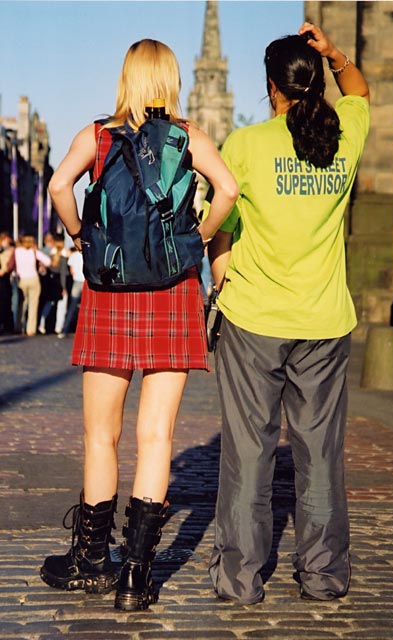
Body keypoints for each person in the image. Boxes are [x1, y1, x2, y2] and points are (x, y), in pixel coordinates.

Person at [40, 38, 238, 612]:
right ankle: (136, 577)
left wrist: (80, 234)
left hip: (110, 292)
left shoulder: (98, 135)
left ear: (127, 77)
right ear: (171, 79)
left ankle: (88, 562)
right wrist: (198, 237)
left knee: (101, 436)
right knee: (157, 437)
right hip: (173, 293)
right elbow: (228, 190)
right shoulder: (187, 136)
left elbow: (57, 187)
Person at [207, 23, 370, 604]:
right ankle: (324, 575)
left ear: (270, 86)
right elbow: (359, 93)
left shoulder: (246, 146)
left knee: (249, 452)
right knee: (320, 454)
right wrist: (336, 55)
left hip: (254, 317)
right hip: (324, 320)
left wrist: (220, 284)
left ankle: (241, 578)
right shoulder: (344, 136)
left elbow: (221, 229)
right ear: (315, 81)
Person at [9, 235, 51, 336]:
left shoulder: (17, 251)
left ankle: (18, 326)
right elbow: (48, 262)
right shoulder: (34, 251)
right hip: (33, 278)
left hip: (21, 279)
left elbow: (10, 264)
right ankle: (30, 329)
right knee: (33, 305)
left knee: (21, 304)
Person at [57, 245, 84, 338]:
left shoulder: (73, 256)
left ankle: (65, 329)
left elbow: (72, 271)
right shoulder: (87, 255)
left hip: (77, 282)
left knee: (72, 307)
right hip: (87, 282)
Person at [0, 231, 15, 334]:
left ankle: (6, 325)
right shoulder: (7, 250)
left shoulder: (9, 250)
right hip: (3, 278)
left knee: (5, 302)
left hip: (4, 279)